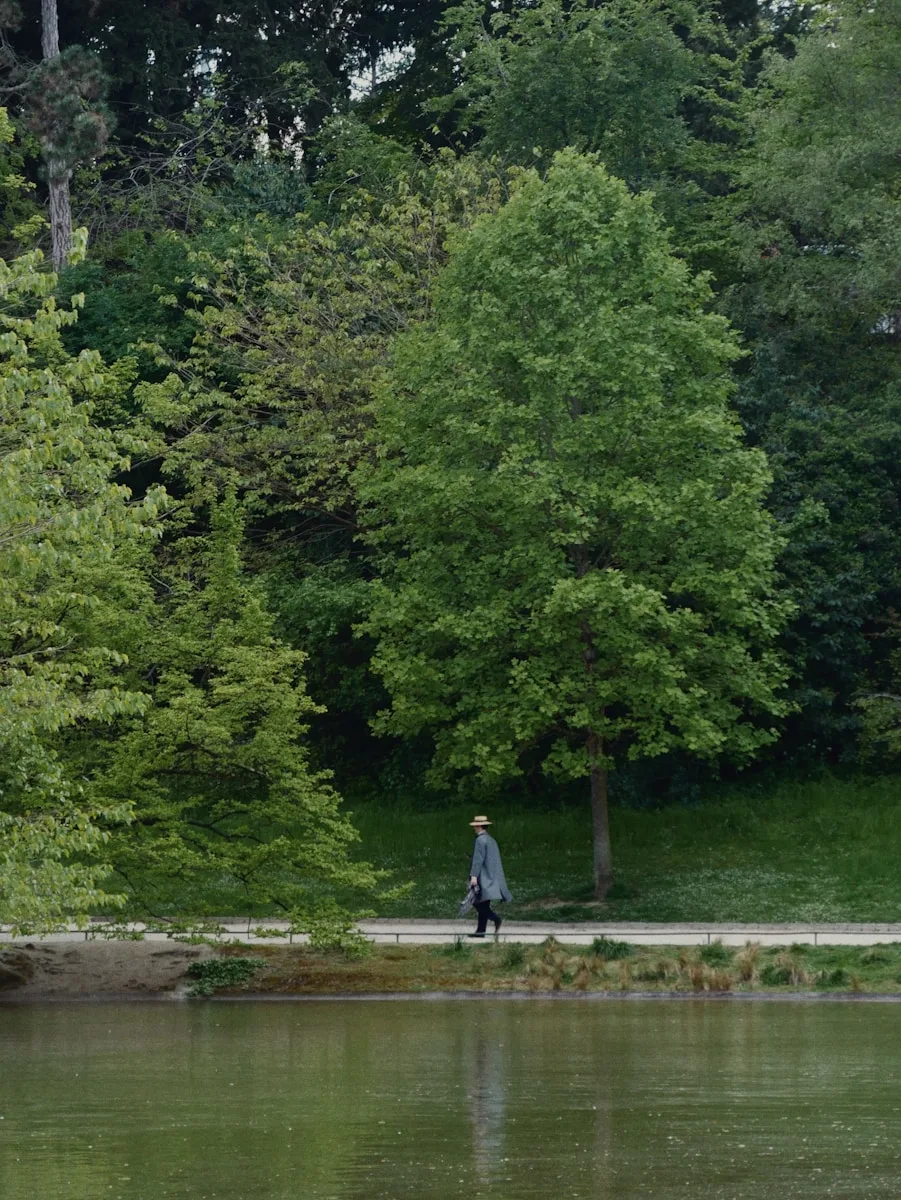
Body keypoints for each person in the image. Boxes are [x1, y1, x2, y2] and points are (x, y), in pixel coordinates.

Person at [467, 815, 512, 938]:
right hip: (492, 876)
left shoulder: (480, 840)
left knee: (476, 902)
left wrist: (473, 876)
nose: (474, 828)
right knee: (483, 903)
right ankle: (480, 931)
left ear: (479, 826)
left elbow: (478, 859)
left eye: (475, 826)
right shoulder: (491, 840)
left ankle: (495, 918)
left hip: (483, 876)